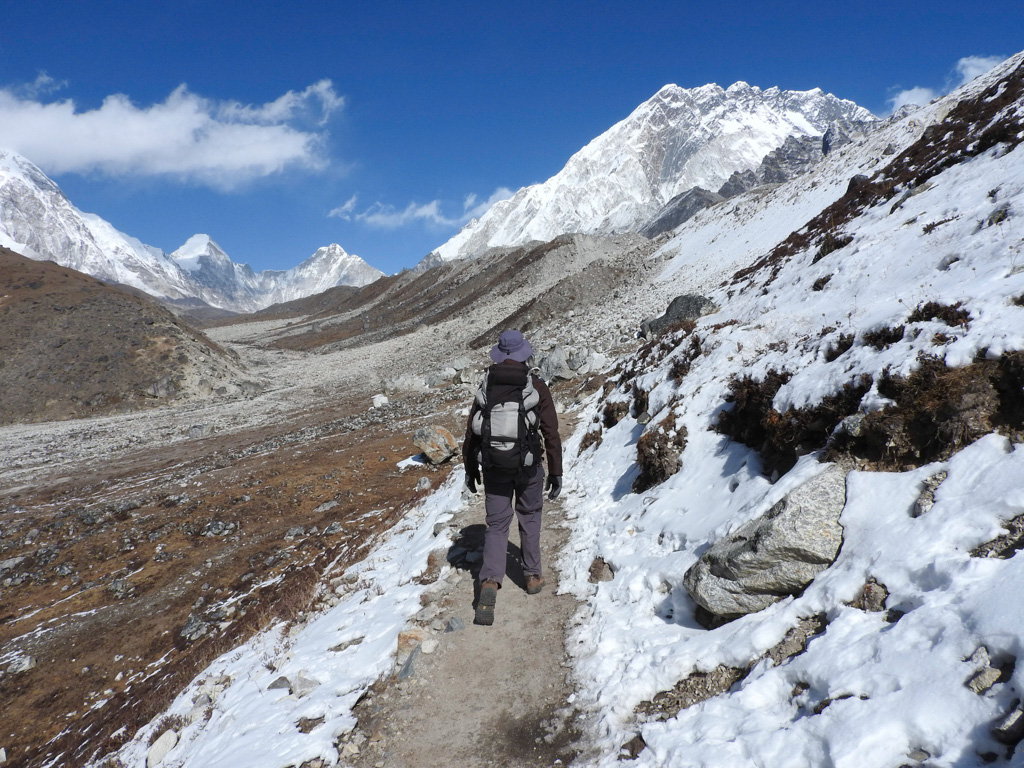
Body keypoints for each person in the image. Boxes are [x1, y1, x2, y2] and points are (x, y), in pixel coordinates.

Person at [463, 329, 562, 626]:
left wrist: (471, 469)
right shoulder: (537, 386)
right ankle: (532, 576)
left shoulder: (487, 385)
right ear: (523, 353)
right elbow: (551, 433)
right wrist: (555, 471)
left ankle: (490, 582)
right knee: (529, 515)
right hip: (529, 466)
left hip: (494, 467)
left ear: (498, 353)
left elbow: (471, 434)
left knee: (496, 524)